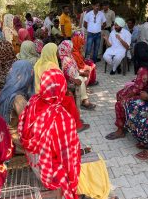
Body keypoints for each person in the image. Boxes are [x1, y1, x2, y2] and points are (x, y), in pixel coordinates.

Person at [18, 69, 111, 199]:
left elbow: (22, 129)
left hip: (35, 161)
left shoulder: (33, 101)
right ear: (61, 87)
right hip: (50, 173)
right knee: (95, 162)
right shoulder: (60, 117)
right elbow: (68, 158)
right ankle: (92, 192)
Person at [105, 42, 148, 140]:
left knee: (119, 103)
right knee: (119, 93)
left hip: (145, 96)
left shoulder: (143, 70)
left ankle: (120, 130)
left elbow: (136, 90)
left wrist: (125, 97)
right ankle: (126, 120)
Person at [34, 43, 90, 132]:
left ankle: (73, 120)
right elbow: (56, 83)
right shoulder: (51, 65)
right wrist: (66, 90)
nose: (58, 54)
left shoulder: (38, 63)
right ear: (51, 53)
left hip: (40, 93)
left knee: (68, 95)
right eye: (56, 52)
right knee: (69, 99)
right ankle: (76, 125)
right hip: (50, 96)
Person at [0, 60, 34, 155]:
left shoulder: (5, 92)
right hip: (15, 142)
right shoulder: (18, 99)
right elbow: (30, 124)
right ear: (24, 76)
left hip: (2, 138)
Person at [58, 40, 96, 110]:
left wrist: (80, 72)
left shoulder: (69, 55)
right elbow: (66, 75)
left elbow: (75, 68)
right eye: (71, 47)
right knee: (80, 79)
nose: (72, 48)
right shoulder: (65, 59)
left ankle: (83, 94)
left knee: (84, 75)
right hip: (69, 80)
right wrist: (76, 78)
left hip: (74, 75)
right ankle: (84, 101)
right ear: (67, 48)